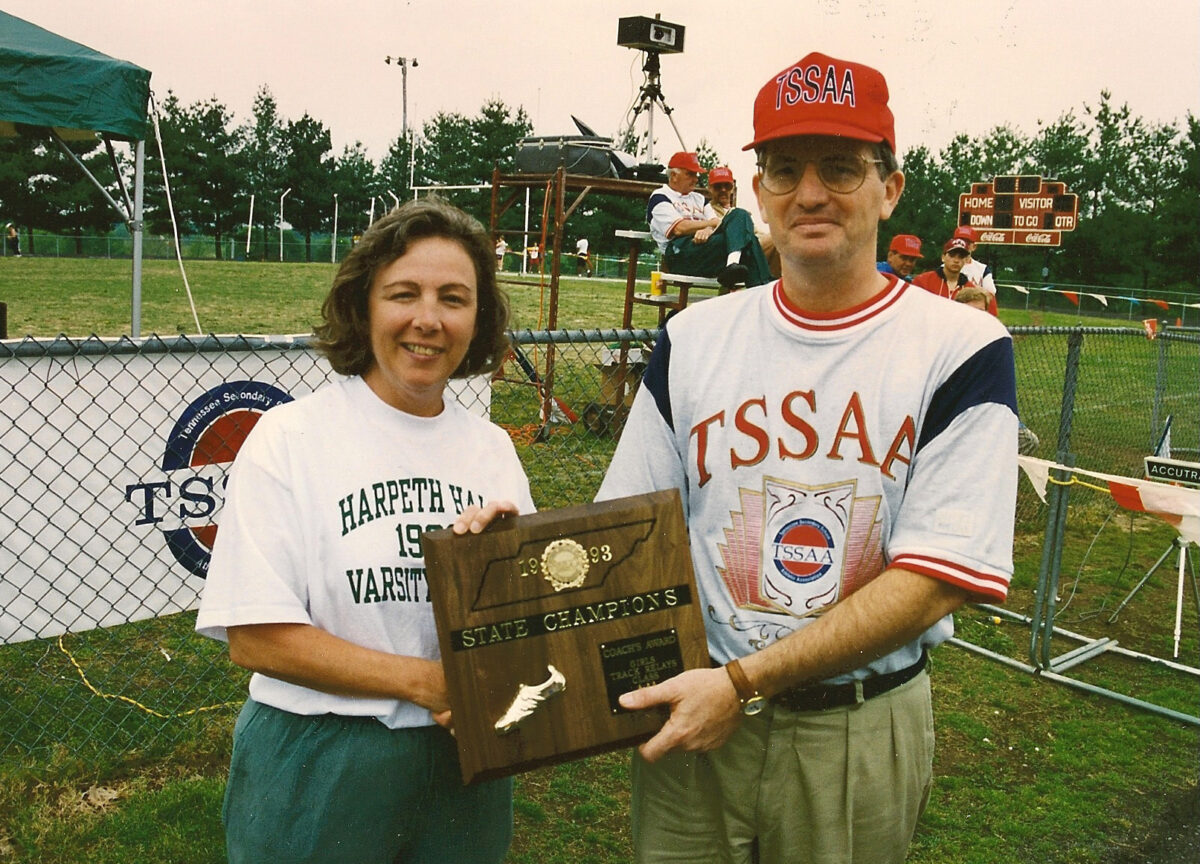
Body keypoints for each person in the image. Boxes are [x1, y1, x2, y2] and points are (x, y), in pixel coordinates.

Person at [599, 51, 1018, 864]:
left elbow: (935, 578)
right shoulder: (692, 338)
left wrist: (745, 684)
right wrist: (509, 548)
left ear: (891, 186)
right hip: (697, 720)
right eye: (784, 168)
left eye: (842, 167)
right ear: (756, 190)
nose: (812, 192)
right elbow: (624, 528)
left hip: (854, 725)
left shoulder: (963, 346)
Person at [196, 197, 535, 864]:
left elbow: (528, 632)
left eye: (455, 298)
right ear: (364, 306)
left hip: (463, 759)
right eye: (403, 294)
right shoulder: (291, 437)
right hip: (319, 754)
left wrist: (513, 569)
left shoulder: (492, 448)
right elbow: (257, 636)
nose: (428, 320)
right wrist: (428, 683)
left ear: (480, 318)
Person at [647, 151, 772, 288]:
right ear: (674, 176)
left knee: (740, 214)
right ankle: (762, 286)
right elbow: (678, 228)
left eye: (696, 174)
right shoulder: (660, 197)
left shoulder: (699, 198)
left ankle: (733, 265)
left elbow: (716, 222)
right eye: (690, 174)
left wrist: (708, 229)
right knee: (748, 241)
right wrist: (708, 225)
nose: (695, 179)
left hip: (705, 248)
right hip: (680, 253)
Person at [952, 225, 997, 295]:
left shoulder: (983, 269)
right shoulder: (945, 268)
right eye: (959, 241)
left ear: (974, 247)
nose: (963, 245)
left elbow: (991, 294)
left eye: (967, 242)